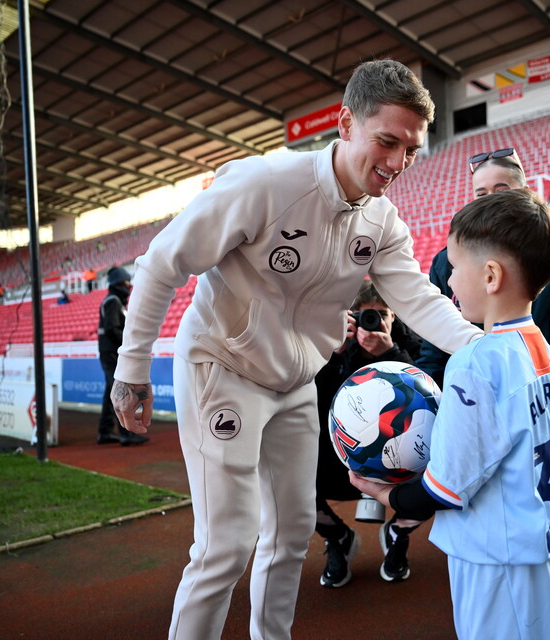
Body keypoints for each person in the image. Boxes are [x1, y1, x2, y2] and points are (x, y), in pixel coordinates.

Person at [110, 60, 482, 640]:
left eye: (410, 149)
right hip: (222, 370)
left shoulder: (383, 221)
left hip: (295, 385)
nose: (397, 163)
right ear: (345, 123)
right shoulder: (265, 183)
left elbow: (420, 299)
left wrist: (487, 349)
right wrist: (131, 370)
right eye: (386, 141)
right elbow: (162, 262)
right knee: (225, 546)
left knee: (289, 538)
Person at [351, 188, 550, 640]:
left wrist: (385, 495)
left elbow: (445, 489)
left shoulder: (476, 361)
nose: (448, 283)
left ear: (491, 275)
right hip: (542, 547)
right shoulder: (539, 345)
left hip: (497, 559)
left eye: (454, 269)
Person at [415, 148, 550, 499]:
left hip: (534, 408)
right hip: (468, 407)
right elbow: (435, 340)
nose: (490, 200)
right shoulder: (448, 260)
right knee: (470, 496)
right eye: (481, 193)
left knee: (536, 496)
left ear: (524, 192)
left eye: (501, 189)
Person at [314, 279, 423, 587]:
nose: (373, 323)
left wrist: (391, 353)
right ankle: (337, 537)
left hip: (399, 459)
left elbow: (429, 394)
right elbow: (315, 403)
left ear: (394, 317)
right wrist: (333, 353)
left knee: (441, 481)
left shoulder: (407, 343)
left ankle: (398, 532)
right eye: (364, 316)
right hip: (340, 458)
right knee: (283, 489)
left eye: (382, 314)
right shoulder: (333, 343)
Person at [97, 267, 147, 446]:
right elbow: (112, 329)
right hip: (111, 353)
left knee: (110, 393)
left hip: (110, 352)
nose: (129, 285)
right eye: (127, 282)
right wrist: (128, 344)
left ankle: (105, 432)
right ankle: (126, 434)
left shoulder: (115, 301)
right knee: (120, 393)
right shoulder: (113, 302)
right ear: (118, 283)